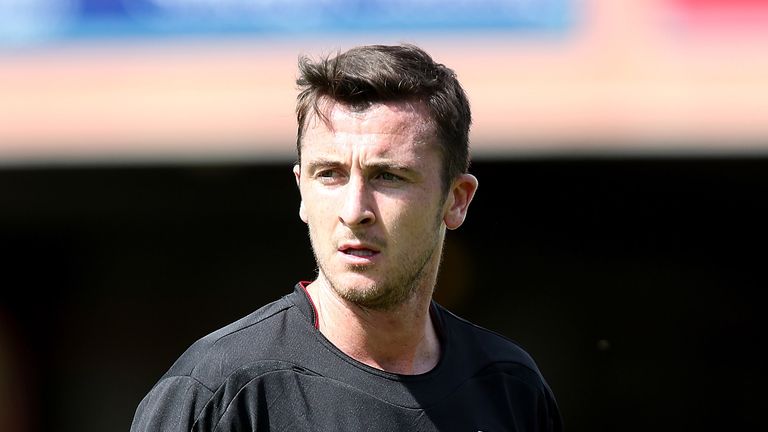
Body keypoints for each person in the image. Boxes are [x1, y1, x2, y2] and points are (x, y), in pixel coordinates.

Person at [130, 43, 562, 431]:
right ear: (301, 190)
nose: (354, 211)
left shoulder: (512, 390)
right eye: (329, 175)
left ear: (456, 200)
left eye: (388, 176)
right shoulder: (219, 393)